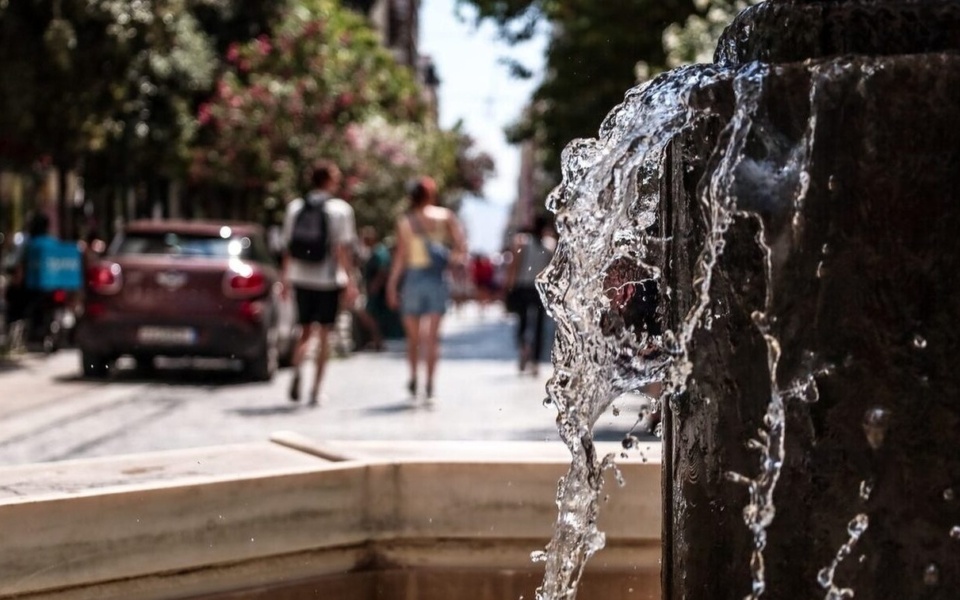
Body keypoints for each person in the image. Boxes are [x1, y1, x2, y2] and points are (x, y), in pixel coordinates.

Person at [282, 160, 358, 406]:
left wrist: (285, 278)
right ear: (330, 181)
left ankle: (297, 367)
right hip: (327, 279)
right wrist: (350, 281)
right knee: (324, 334)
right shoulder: (340, 210)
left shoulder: (295, 208)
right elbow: (342, 249)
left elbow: (288, 248)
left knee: (304, 330)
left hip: (300, 276)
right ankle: (316, 390)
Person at [386, 176, 467, 403]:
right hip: (437, 279)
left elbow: (400, 257)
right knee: (433, 338)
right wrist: (450, 259)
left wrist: (392, 286)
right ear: (431, 194)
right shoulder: (445, 217)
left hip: (413, 278)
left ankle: (413, 377)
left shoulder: (406, 221)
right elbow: (461, 246)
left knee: (414, 338)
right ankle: (430, 384)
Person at [504, 215, 556, 376]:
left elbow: (514, 265)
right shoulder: (550, 244)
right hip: (540, 289)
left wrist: (509, 286)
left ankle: (524, 349)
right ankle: (534, 361)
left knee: (523, 321)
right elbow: (553, 269)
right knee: (539, 325)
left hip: (522, 287)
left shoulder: (522, 241)